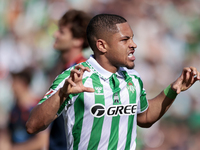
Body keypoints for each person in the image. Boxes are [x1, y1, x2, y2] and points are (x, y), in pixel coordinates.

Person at [26, 14, 200, 150]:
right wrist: (62, 94)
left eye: (132, 38)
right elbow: (33, 125)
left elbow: (144, 118)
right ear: (102, 46)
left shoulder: (133, 78)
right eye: (125, 40)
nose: (134, 45)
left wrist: (174, 90)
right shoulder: (75, 77)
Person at [47, 9, 92, 150]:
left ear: (78, 40)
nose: (55, 34)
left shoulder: (81, 73)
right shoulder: (65, 68)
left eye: (61, 32)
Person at [0, 68, 49, 150]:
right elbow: (7, 133)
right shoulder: (14, 109)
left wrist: (14, 149)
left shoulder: (37, 108)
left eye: (14, 82)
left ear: (23, 84)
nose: (12, 87)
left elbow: (42, 141)